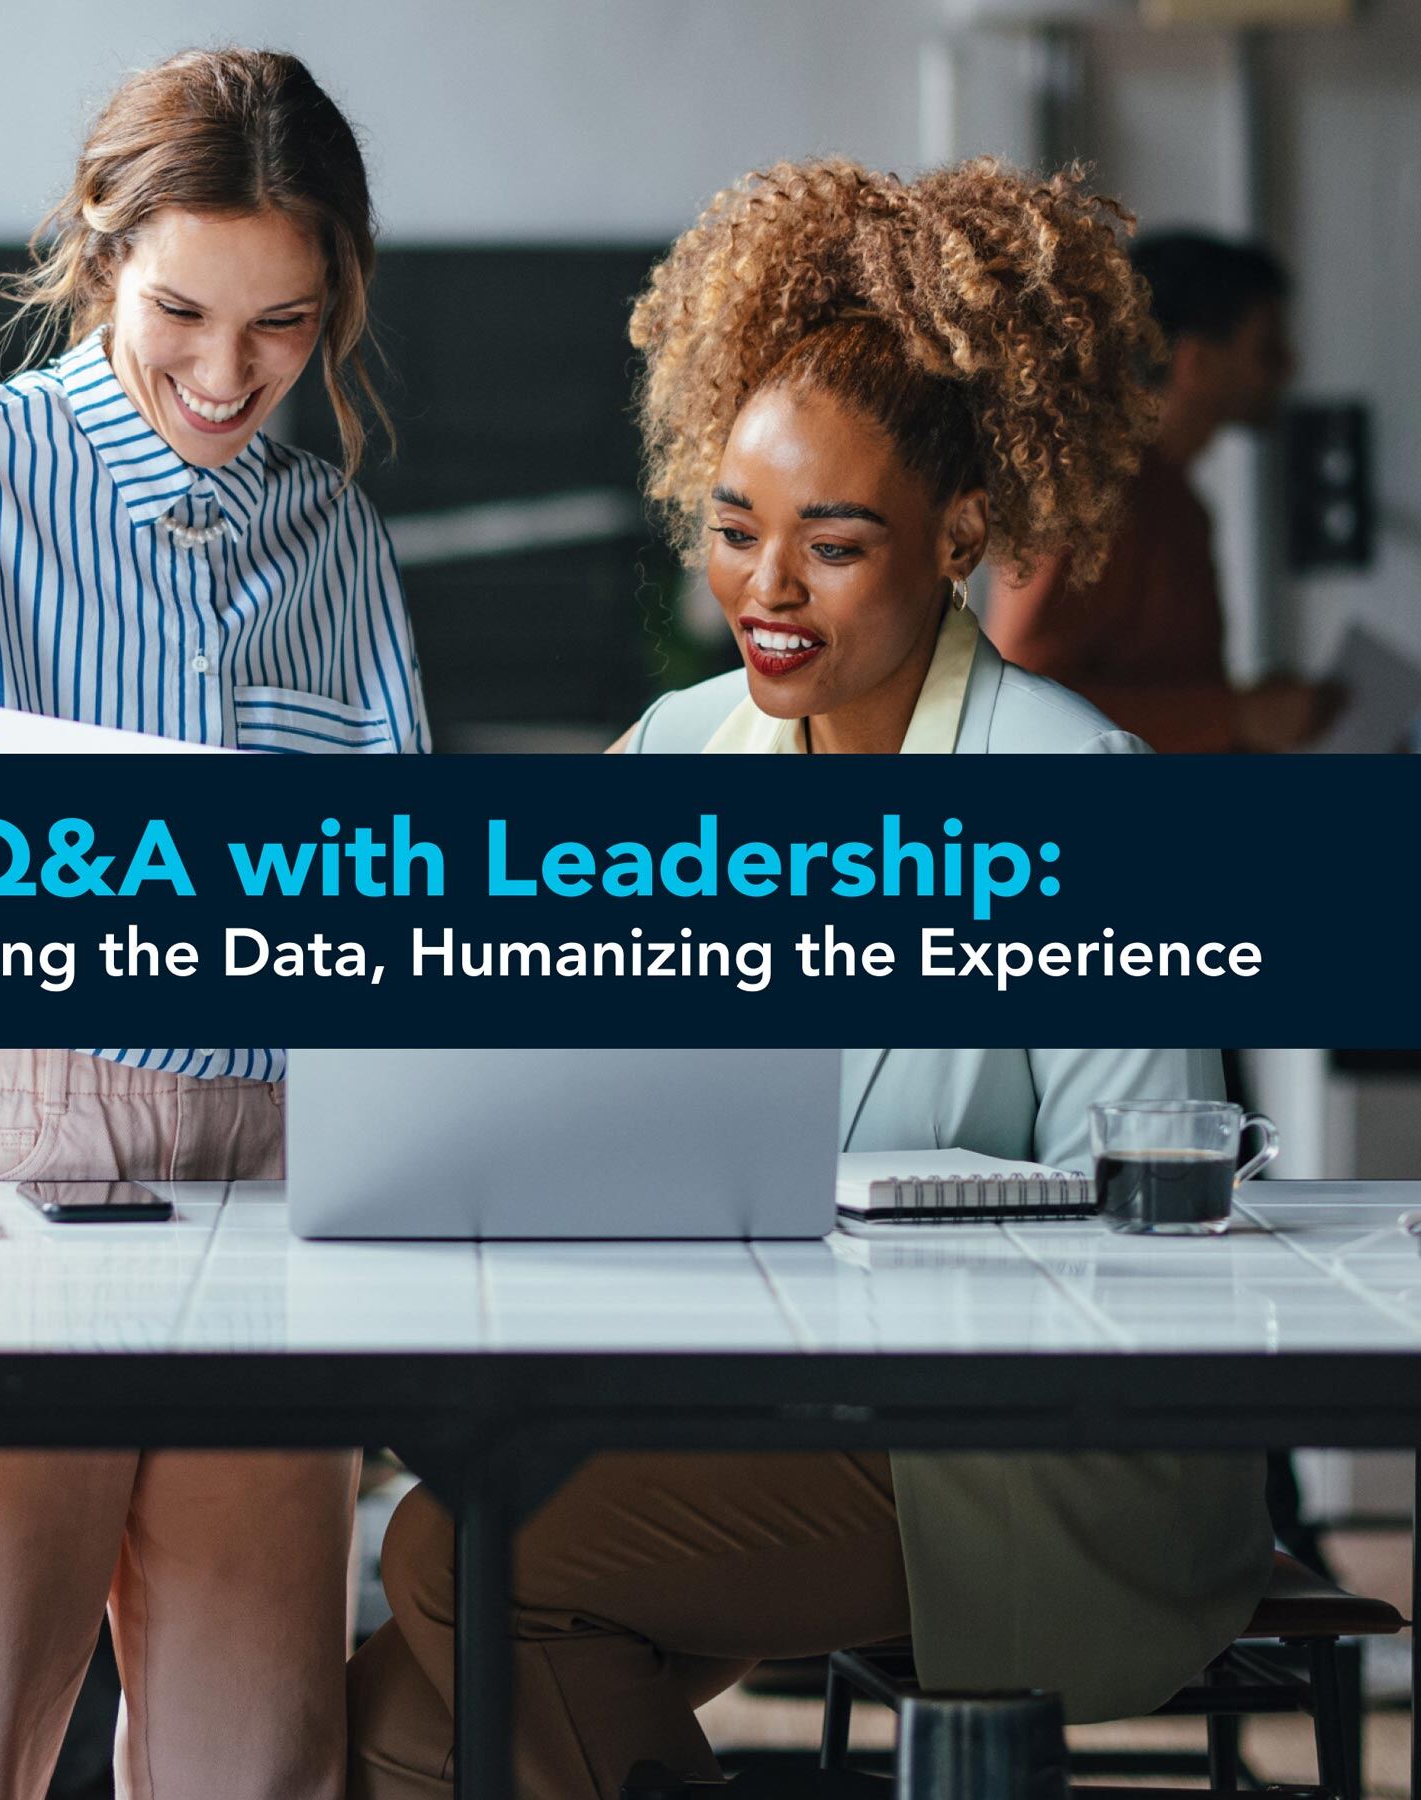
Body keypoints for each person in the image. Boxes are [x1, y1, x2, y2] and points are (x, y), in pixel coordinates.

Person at [345, 157, 1271, 1799]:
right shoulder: (672, 760)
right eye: (734, 529)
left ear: (961, 533)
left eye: (832, 547)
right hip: (729, 1399)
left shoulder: (1081, 796)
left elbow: (1155, 1229)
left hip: (997, 1447)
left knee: (460, 1566)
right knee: (388, 1732)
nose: (764, 593)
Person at [0, 47, 427, 1800]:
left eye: (284, 324)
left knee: (255, 1763)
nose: (229, 375)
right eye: (184, 311)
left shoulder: (336, 540)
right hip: (12, 1142)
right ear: (96, 248)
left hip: (276, 1173)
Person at [985, 230, 1333, 751]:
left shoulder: (1177, 503)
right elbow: (1017, 704)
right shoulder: (1093, 499)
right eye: (1266, 348)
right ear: (1197, 364)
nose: (1289, 367)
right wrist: (1232, 716)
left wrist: (1260, 713)